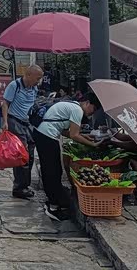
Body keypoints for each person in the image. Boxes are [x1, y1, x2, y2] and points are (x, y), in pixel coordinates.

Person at [32, 92, 104, 221]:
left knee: (52, 169)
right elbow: (74, 135)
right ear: (87, 103)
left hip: (43, 133)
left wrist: (84, 136)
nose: (92, 113)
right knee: (52, 171)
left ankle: (53, 200)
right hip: (47, 136)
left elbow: (65, 131)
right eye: (93, 109)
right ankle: (53, 206)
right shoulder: (77, 110)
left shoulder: (72, 105)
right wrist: (93, 144)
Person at [0, 64, 43, 200]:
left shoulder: (34, 88)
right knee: (21, 155)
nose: (38, 81)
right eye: (37, 78)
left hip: (28, 123)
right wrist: (5, 121)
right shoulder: (15, 85)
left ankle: (25, 185)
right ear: (28, 75)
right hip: (15, 121)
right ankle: (19, 187)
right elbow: (5, 103)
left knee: (30, 154)